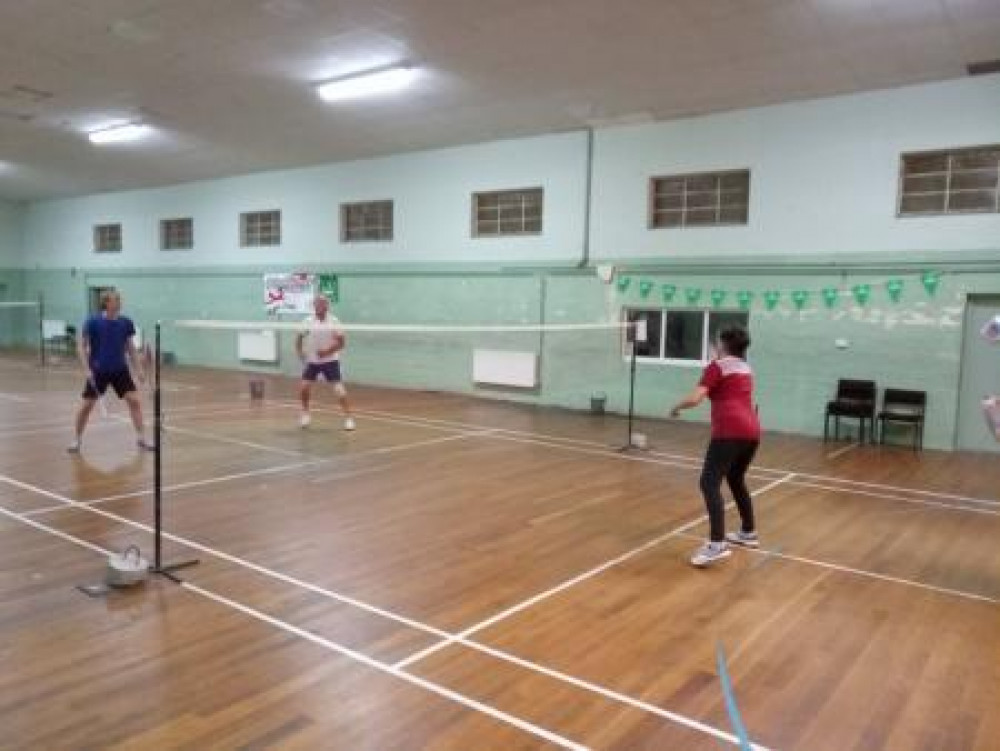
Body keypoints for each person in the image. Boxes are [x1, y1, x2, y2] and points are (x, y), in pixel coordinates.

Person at [669, 324, 761, 567]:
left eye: (717, 341)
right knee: (735, 479)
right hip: (752, 430)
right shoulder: (745, 367)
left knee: (708, 482)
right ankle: (748, 532)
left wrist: (676, 406)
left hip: (729, 430)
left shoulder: (717, 367)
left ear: (723, 344)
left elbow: (696, 398)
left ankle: (717, 544)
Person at [69, 290, 152, 453]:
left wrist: (139, 369)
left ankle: (142, 438)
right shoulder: (92, 322)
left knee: (134, 401)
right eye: (116, 300)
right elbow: (81, 346)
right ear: (106, 303)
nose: (119, 302)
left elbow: (130, 348)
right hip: (99, 371)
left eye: (119, 299)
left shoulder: (125, 322)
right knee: (86, 406)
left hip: (120, 370)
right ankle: (76, 440)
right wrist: (87, 369)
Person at [295, 294, 355, 431]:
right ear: (314, 306)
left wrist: (327, 351)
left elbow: (342, 343)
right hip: (312, 361)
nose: (319, 306)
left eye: (322, 304)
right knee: (304, 387)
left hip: (330, 361)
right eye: (317, 304)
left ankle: (349, 418)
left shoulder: (334, 321)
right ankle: (305, 414)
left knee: (339, 390)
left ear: (327, 306)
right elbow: (299, 337)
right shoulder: (307, 321)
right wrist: (300, 352)